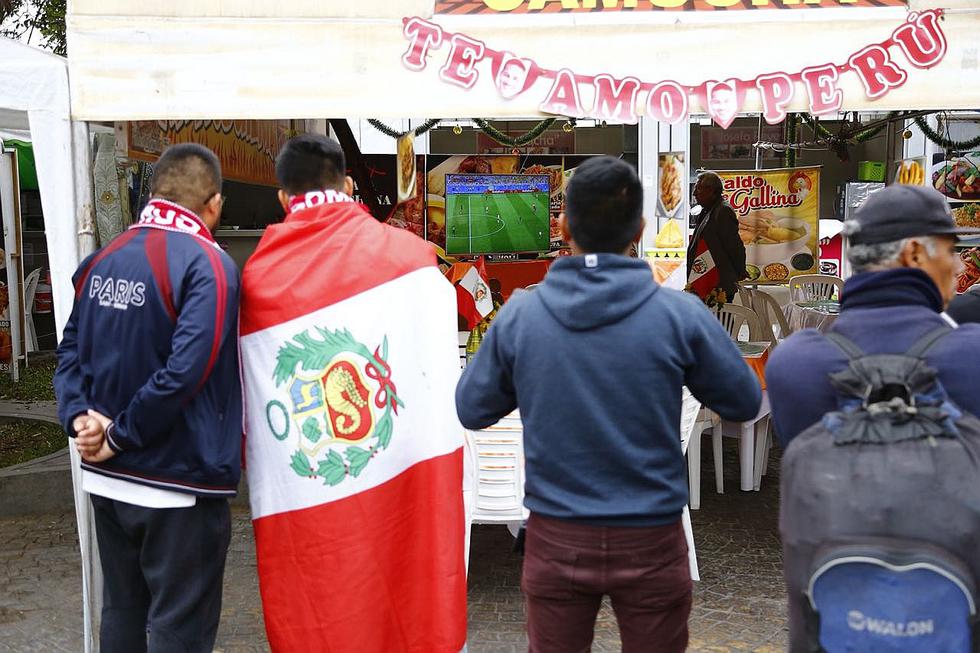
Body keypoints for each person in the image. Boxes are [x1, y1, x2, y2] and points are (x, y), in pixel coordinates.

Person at [455, 156, 762, 652]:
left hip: (558, 535)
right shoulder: (678, 313)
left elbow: (471, 408)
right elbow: (744, 400)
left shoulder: (522, 316)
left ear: (562, 226)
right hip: (652, 534)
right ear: (640, 229)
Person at [239, 134, 466, 652]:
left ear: (282, 198)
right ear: (345, 183)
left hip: (314, 498)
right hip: (402, 474)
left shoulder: (260, 278)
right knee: (407, 588)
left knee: (327, 599)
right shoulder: (412, 258)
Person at [53, 143, 242, 653]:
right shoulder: (209, 264)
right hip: (176, 482)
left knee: (122, 611)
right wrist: (116, 433)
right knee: (179, 627)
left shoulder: (102, 259)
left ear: (154, 192)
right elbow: (187, 371)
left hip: (108, 480)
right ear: (215, 203)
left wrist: (78, 420)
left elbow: (68, 351)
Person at [768, 184, 980, 448]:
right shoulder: (971, 354)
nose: (959, 265)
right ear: (915, 254)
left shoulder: (793, 364)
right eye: (950, 251)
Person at [688, 171, 746, 301]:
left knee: (720, 321)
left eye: (698, 188)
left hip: (718, 284)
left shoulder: (723, 211)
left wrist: (740, 271)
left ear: (712, 191)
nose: (694, 193)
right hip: (704, 280)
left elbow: (734, 246)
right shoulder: (707, 210)